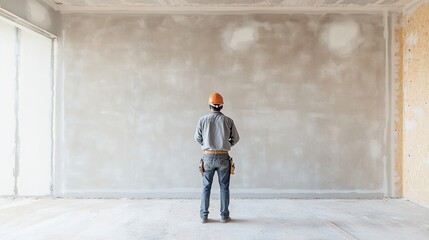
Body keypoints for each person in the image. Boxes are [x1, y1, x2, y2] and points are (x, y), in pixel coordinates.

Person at [194, 92, 240, 224]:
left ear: (210, 106)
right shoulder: (228, 121)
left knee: (206, 187)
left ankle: (204, 216)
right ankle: (224, 216)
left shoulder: (202, 120)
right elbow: (236, 138)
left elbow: (197, 138)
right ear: (221, 107)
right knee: (224, 187)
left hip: (207, 157)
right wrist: (226, 145)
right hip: (223, 157)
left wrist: (206, 145)